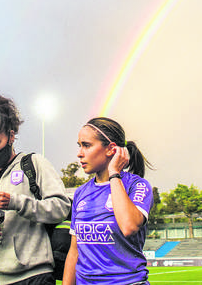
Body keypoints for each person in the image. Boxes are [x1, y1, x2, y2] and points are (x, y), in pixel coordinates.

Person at [0, 94, 72, 285]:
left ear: (11, 136)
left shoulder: (34, 164)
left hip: (33, 277)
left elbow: (61, 207)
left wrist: (16, 202)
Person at [62, 117, 153, 285]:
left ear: (111, 149)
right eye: (79, 145)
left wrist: (114, 174)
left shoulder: (137, 185)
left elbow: (129, 226)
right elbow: (74, 252)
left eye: (87, 145)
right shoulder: (81, 192)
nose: (79, 153)